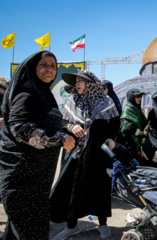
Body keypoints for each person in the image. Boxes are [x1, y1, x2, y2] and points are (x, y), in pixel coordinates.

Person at [0, 51, 75, 240]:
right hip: (22, 182)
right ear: (32, 68)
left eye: (53, 65)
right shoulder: (26, 92)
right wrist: (59, 139)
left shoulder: (42, 94)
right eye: (44, 64)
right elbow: (20, 129)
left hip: (35, 182)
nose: (50, 69)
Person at [50, 70, 120, 240]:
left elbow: (116, 122)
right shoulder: (73, 100)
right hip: (76, 154)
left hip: (98, 155)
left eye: (81, 81)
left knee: (100, 189)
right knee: (72, 189)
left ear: (90, 84)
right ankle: (71, 226)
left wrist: (111, 138)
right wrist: (70, 127)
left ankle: (102, 224)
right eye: (76, 81)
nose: (77, 84)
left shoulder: (106, 102)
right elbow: (62, 121)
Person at [119, 88, 147, 165]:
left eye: (140, 96)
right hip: (131, 146)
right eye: (137, 96)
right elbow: (125, 129)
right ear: (131, 98)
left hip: (139, 145)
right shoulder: (128, 110)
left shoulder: (137, 109)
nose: (140, 98)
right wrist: (140, 133)